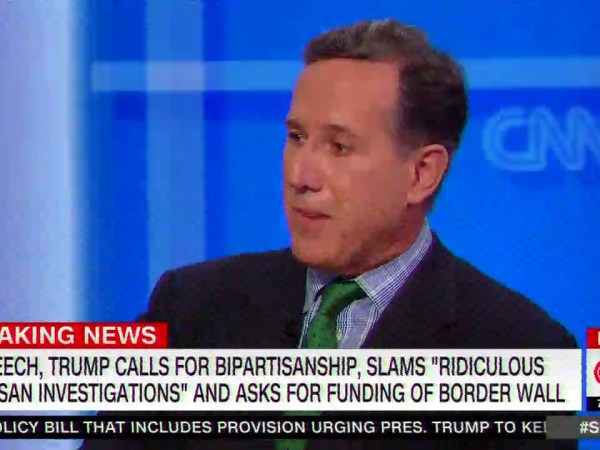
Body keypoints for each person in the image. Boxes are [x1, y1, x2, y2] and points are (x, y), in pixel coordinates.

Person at [81, 19, 577, 450]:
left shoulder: (520, 351)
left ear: (421, 173)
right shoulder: (191, 309)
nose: (301, 175)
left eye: (339, 147)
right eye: (296, 138)